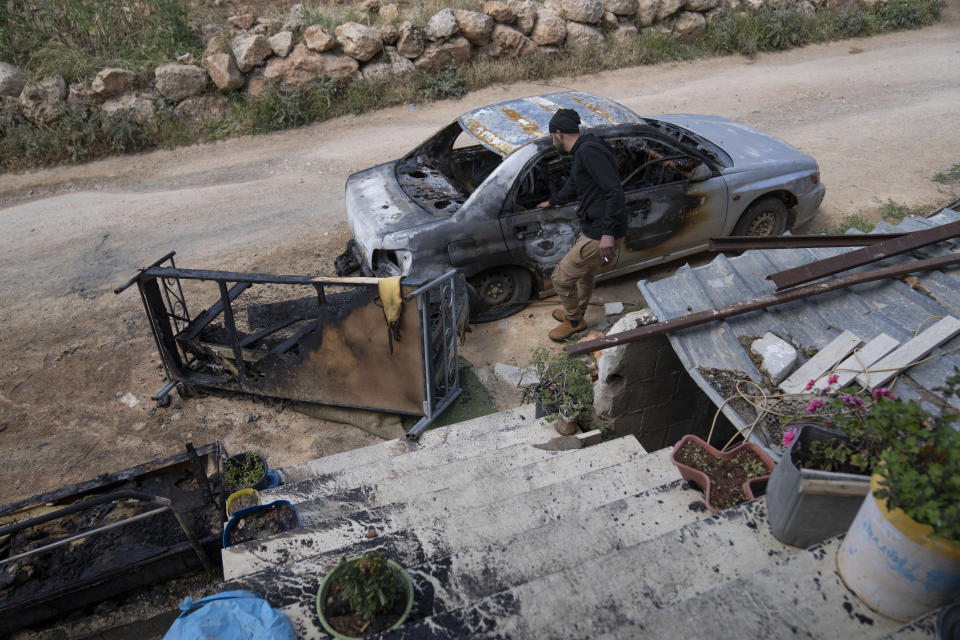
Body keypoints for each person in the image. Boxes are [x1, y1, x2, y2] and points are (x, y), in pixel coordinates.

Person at [537, 108, 626, 342]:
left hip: (601, 230)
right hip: (594, 224)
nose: (552, 141)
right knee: (584, 275)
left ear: (558, 133)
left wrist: (608, 233)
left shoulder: (588, 152)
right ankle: (575, 312)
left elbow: (614, 191)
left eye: (551, 137)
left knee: (561, 277)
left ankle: (574, 321)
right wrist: (552, 201)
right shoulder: (584, 149)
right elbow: (575, 185)